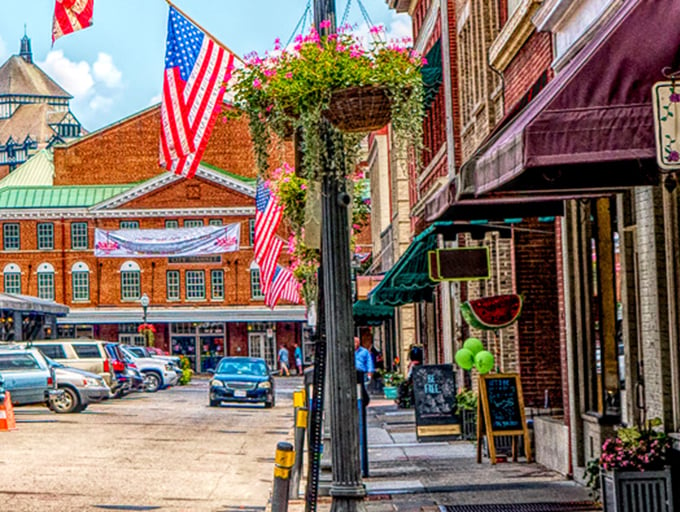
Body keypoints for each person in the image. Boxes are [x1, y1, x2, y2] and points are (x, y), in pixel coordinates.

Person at [354, 336, 374, 406]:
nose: (355, 344)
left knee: (363, 390)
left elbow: (369, 362)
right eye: (354, 342)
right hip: (353, 374)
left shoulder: (364, 351)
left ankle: (362, 402)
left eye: (357, 342)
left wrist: (370, 373)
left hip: (362, 373)